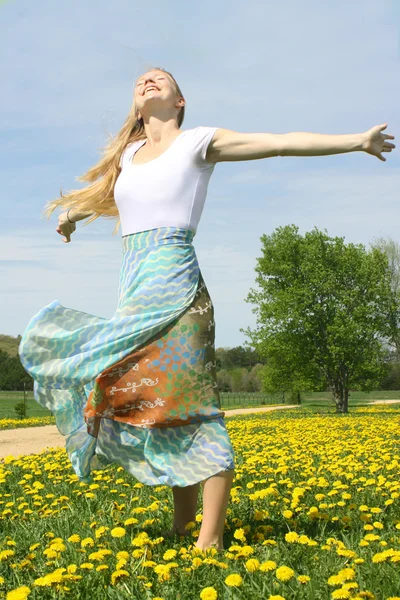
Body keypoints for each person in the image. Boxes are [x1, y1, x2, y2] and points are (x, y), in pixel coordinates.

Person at [18, 66, 395, 552]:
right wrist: (69, 217)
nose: (149, 80)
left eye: (162, 78)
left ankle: (208, 540)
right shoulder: (129, 157)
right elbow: (104, 198)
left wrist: (355, 141)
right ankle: (180, 528)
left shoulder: (197, 142)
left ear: (180, 101)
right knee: (159, 410)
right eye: (141, 80)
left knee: (193, 408)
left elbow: (278, 142)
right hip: (134, 295)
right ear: (137, 105)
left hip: (180, 296)